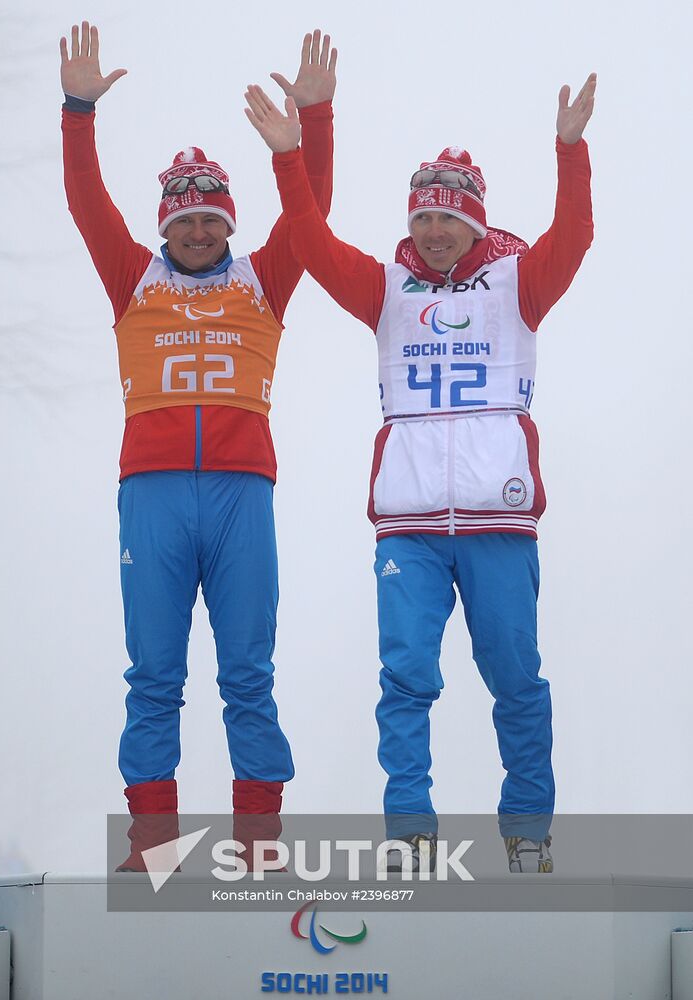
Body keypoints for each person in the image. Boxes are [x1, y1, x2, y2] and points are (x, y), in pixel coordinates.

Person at [245, 71, 596, 873]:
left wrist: (568, 151)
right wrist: (290, 159)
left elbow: (572, 237)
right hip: (407, 523)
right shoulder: (386, 290)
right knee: (404, 678)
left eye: (448, 216)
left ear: (474, 221)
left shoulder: (518, 284)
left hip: (496, 519)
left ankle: (527, 833)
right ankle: (407, 831)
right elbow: (307, 243)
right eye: (423, 216)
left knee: (515, 676)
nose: (434, 229)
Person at [59, 22, 337, 871]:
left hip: (241, 491)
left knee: (247, 672)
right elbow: (86, 202)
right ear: (165, 227)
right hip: (152, 492)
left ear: (228, 224)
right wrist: (77, 112)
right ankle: (155, 846)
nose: (198, 233)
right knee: (153, 676)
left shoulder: (264, 276)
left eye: (212, 219)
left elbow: (310, 215)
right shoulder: (130, 274)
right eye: (184, 220)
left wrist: (314, 124)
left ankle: (258, 844)